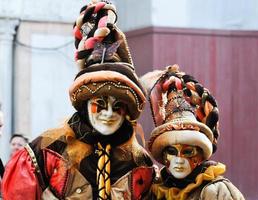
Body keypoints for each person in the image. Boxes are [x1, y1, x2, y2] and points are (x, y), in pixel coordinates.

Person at [2, 1, 154, 199]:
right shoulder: (48, 149)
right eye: (99, 104)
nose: (108, 113)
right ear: (85, 104)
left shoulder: (139, 162)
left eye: (117, 107)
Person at [141, 65, 245, 199]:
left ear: (201, 154)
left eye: (188, 152)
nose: (179, 160)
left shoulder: (216, 192)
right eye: (172, 152)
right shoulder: (156, 192)